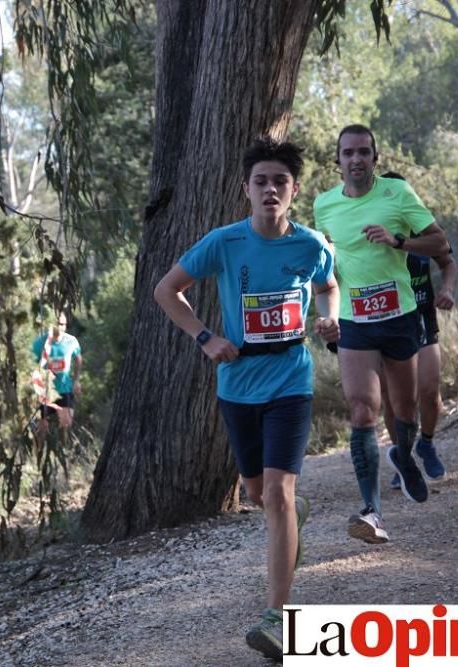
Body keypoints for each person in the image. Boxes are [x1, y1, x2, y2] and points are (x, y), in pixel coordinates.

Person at [153, 137, 339, 662]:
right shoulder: (224, 242)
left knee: (277, 494)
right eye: (261, 182)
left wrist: (330, 316)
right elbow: (168, 290)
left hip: (290, 380)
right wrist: (205, 337)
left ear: (293, 190)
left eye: (280, 181)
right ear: (246, 190)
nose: (270, 190)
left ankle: (277, 617)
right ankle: (290, 513)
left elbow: (329, 284)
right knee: (258, 495)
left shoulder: (310, 243)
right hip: (237, 385)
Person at [313, 124, 449, 545]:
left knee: (404, 411)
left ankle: (404, 456)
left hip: (401, 316)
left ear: (375, 157)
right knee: (362, 410)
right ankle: (371, 512)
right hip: (355, 322)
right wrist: (326, 312)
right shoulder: (324, 206)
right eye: (348, 153)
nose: (356, 159)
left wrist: (398, 241)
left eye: (363, 152)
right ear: (337, 162)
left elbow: (440, 243)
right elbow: (324, 265)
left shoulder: (398, 196)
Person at [378, 171, 457, 488]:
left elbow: (447, 262)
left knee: (429, 389)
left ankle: (425, 442)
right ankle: (403, 456)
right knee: (394, 400)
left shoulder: (421, 228)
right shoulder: (370, 231)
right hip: (385, 322)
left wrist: (448, 289)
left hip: (422, 317)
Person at [30, 312, 83, 438]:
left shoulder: (71, 341)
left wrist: (76, 380)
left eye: (62, 324)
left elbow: (78, 359)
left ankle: (64, 451)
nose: (59, 327)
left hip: (65, 389)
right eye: (57, 324)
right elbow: (30, 364)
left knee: (66, 425)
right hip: (46, 392)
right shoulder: (39, 344)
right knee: (41, 432)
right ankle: (39, 454)